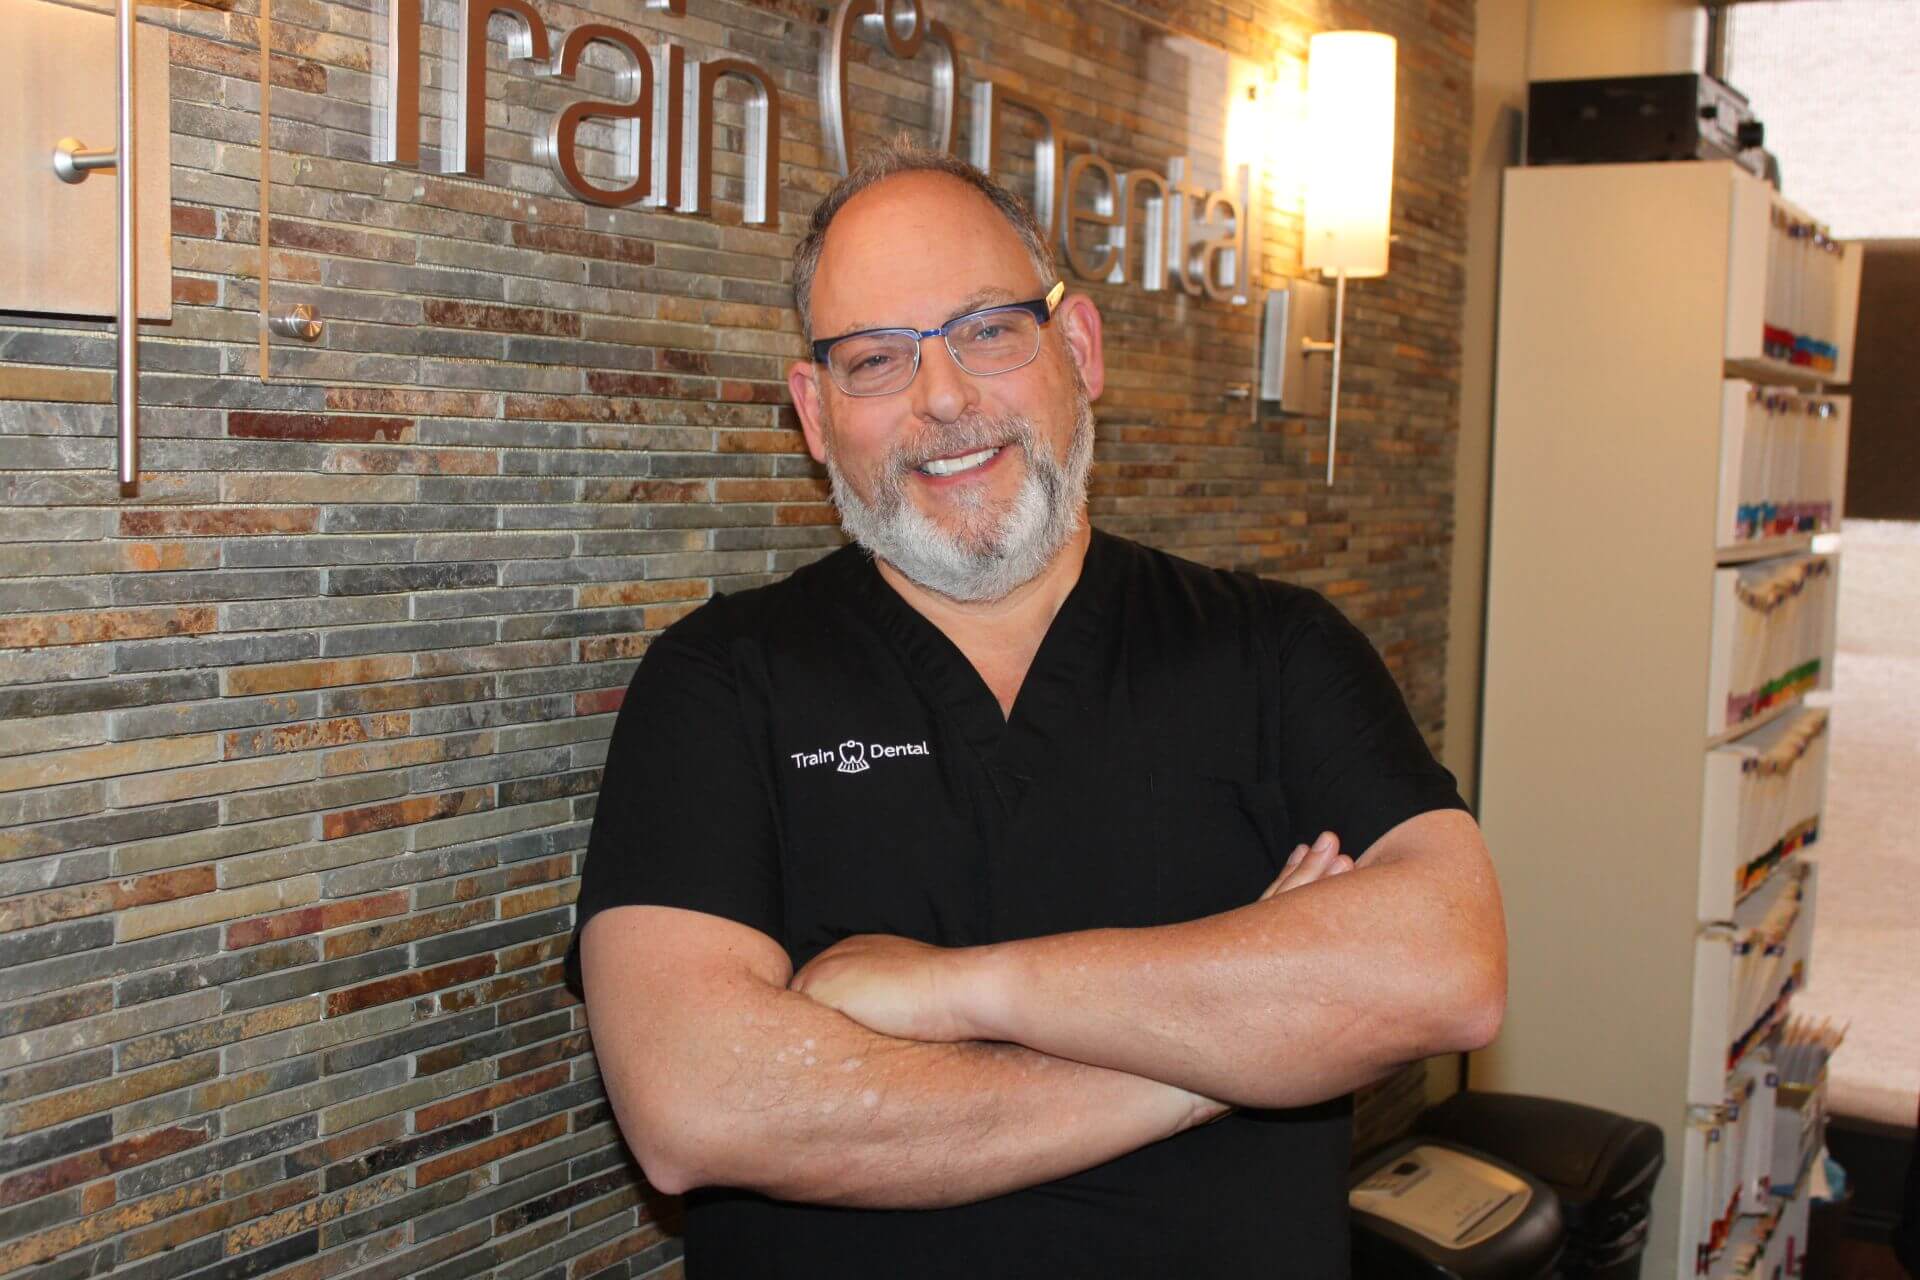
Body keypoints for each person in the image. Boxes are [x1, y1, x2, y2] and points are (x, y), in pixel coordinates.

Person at [569, 139, 1507, 1278]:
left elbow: (1447, 970)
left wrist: (957, 986)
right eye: (876, 359)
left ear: (1079, 347)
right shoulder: (721, 683)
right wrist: (1220, 1060)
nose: (943, 397)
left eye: (987, 331)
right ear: (814, 412)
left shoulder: (1276, 651)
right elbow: (698, 1103)